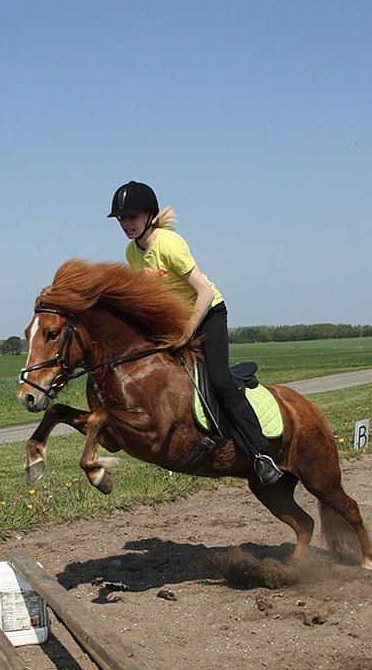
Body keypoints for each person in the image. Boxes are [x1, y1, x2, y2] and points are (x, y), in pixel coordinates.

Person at [108, 180, 283, 485]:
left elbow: (202, 292)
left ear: (149, 215)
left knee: (217, 378)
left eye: (132, 217)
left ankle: (260, 453)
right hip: (175, 323)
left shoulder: (170, 244)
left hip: (207, 315)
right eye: (122, 219)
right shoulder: (131, 253)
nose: (126, 224)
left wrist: (188, 332)